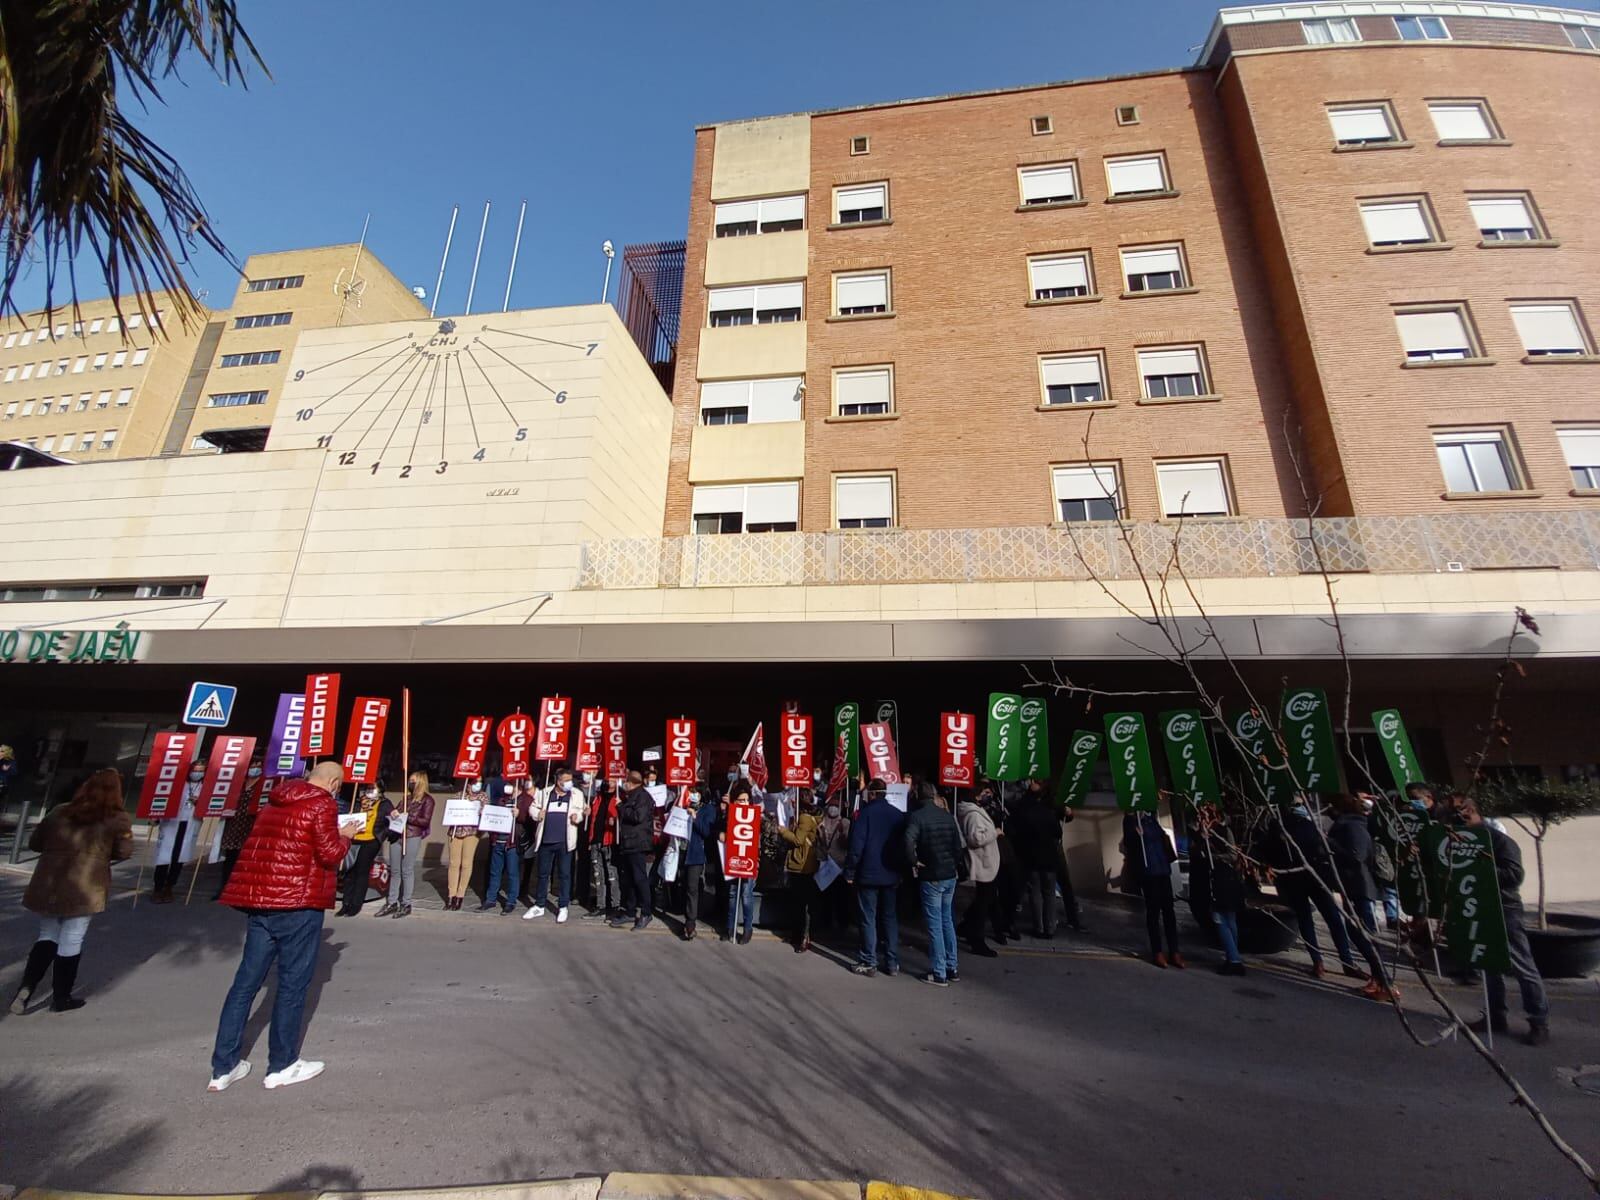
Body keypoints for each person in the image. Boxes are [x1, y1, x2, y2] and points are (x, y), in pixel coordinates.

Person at [208, 761, 348, 1092]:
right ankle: (281, 1065)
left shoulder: (275, 800)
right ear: (332, 782)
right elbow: (329, 854)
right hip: (299, 903)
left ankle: (222, 1067)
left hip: (262, 902)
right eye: (338, 786)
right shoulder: (322, 802)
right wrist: (345, 836)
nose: (337, 791)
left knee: (245, 984)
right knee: (292, 985)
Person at [10, 768, 134, 1014]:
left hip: (51, 883)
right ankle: (61, 997)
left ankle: (26, 988)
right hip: (86, 886)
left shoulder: (59, 811)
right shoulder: (117, 819)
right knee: (72, 938)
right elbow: (123, 852)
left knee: (48, 934)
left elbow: (36, 842)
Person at [1451, 794, 1550, 1045]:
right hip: (1476, 906)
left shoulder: (1499, 841)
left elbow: (1514, 875)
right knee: (1488, 964)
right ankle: (1496, 1015)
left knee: (1521, 964)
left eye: (1460, 812)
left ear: (1472, 812)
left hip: (1504, 907)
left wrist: (1481, 866)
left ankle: (1538, 1021)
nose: (1455, 818)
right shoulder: (1458, 840)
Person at [1265, 800, 1367, 982]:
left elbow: (1270, 853)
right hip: (1317, 877)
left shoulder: (1278, 828)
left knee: (1308, 921)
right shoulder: (1308, 825)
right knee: (1333, 920)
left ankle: (1318, 962)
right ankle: (1347, 961)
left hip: (1294, 879)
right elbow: (1323, 849)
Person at [905, 783, 962, 987]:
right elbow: (958, 847)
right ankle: (952, 967)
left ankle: (939, 972)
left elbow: (908, 841)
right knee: (947, 921)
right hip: (949, 874)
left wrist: (914, 861)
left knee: (935, 925)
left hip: (931, 875)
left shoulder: (917, 817)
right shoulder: (947, 816)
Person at [845, 779, 904, 977]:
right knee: (889, 918)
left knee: (868, 918)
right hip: (890, 874)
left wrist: (850, 872)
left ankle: (869, 961)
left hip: (868, 874)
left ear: (871, 794)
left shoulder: (864, 814)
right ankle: (892, 961)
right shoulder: (897, 815)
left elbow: (856, 846)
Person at [1123, 809, 1184, 968]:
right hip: (1148, 872)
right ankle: (1157, 951)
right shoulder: (1130, 820)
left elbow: (1161, 837)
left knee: (1169, 912)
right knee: (1153, 912)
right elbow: (1129, 842)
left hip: (1163, 870)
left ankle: (1174, 951)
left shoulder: (1151, 819)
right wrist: (1137, 835)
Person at [525, 768, 586, 923]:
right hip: (546, 841)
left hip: (565, 841)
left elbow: (581, 812)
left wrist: (576, 817)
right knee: (543, 874)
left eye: (570, 779)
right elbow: (533, 807)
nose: (569, 783)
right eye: (565, 780)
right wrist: (537, 814)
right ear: (558, 781)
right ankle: (539, 905)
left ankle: (563, 906)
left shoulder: (577, 794)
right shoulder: (545, 792)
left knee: (564, 875)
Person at [1193, 805, 1247, 975]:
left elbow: (1231, 855)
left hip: (1219, 881)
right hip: (1227, 880)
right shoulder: (1222, 832)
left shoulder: (1216, 833)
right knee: (1229, 920)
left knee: (1222, 920)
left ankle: (1234, 959)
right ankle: (1233, 955)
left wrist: (1211, 856)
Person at [1010, 781, 1066, 938]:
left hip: (1032, 858)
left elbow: (1019, 832)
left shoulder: (1026, 812)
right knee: (1049, 894)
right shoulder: (1049, 813)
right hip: (1049, 858)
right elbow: (1058, 833)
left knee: (1035, 893)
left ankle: (1039, 927)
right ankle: (1050, 928)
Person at [378, 771, 433, 919]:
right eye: (410, 781)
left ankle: (406, 903)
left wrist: (409, 816)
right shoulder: (406, 798)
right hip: (397, 834)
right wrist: (394, 813)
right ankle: (391, 902)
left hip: (412, 835)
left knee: (407, 869)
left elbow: (425, 821)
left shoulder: (427, 800)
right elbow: (397, 811)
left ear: (420, 782)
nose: (410, 783)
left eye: (413, 781)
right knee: (395, 870)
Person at [150, 759, 203, 903]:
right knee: (164, 857)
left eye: (200, 771)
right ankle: (158, 888)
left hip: (189, 825)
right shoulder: (178, 784)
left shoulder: (204, 787)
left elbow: (208, 806)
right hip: (172, 823)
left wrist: (200, 802)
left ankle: (169, 887)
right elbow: (163, 799)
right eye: (195, 770)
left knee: (178, 858)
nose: (197, 773)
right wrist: (155, 816)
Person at [776, 789, 823, 952]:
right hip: (805, 864)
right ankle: (798, 935)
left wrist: (783, 831)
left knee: (801, 903)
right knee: (799, 903)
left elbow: (797, 840)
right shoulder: (808, 817)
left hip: (801, 864)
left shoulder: (803, 818)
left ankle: (803, 937)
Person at [956, 790, 1001, 957]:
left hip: (987, 862)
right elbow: (975, 839)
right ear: (975, 795)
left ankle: (966, 927)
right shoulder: (972, 814)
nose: (989, 794)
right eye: (985, 792)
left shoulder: (975, 811)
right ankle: (976, 939)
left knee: (985, 900)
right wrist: (994, 832)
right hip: (983, 862)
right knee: (983, 903)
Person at [214, 761, 267, 899]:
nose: (254, 769)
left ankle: (239, 889)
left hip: (250, 824)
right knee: (229, 859)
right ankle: (224, 887)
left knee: (245, 859)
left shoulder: (263, 785)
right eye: (252, 767)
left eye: (257, 767)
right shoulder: (238, 783)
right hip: (233, 824)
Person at [1328, 792, 1379, 934]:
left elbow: (1357, 856)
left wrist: (1331, 844)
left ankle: (1374, 955)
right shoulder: (1346, 824)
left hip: (1360, 883)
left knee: (1364, 930)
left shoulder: (1353, 825)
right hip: (1351, 882)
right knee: (1355, 928)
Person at [336, 783, 390, 917]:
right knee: (349, 872)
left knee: (361, 871)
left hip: (371, 840)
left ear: (380, 789)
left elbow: (392, 819)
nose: (370, 791)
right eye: (368, 788)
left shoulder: (385, 803)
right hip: (355, 839)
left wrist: (383, 834)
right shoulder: (358, 801)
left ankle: (356, 904)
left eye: (373, 788)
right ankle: (345, 904)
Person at [611, 770, 654, 930]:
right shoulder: (631, 796)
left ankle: (646, 912)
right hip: (628, 843)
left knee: (639, 879)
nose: (624, 785)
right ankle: (629, 911)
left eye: (626, 782)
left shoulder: (642, 796)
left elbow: (638, 817)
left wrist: (621, 807)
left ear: (632, 782)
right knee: (628, 880)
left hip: (638, 843)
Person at [719, 779, 759, 944]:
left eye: (746, 800)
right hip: (733, 858)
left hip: (749, 860)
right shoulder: (728, 813)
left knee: (746, 895)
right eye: (740, 800)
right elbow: (720, 831)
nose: (744, 803)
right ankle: (730, 927)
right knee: (732, 894)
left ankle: (748, 928)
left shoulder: (754, 814)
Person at [478, 784, 521, 914]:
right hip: (498, 842)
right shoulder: (501, 800)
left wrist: (519, 814)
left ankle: (511, 902)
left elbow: (527, 819)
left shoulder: (523, 800)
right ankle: (490, 899)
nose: (508, 787)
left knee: (512, 874)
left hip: (511, 844)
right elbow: (493, 818)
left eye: (511, 785)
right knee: (494, 872)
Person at [814, 793, 853, 932]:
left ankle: (843, 924)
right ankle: (826, 923)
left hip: (839, 865)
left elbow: (848, 844)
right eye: (831, 806)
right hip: (824, 864)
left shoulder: (845, 823)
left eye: (836, 806)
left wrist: (843, 834)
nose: (833, 809)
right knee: (825, 896)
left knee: (841, 897)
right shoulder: (821, 822)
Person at [585, 779, 621, 918]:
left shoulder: (619, 796)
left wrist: (616, 819)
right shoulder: (597, 796)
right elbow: (594, 818)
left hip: (609, 841)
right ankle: (601, 906)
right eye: (607, 779)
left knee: (612, 876)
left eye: (611, 779)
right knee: (598, 876)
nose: (608, 782)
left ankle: (615, 905)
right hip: (596, 841)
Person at [682, 783, 714, 941]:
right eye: (691, 792)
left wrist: (694, 817)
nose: (692, 795)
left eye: (695, 793)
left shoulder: (708, 809)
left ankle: (690, 922)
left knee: (692, 888)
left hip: (696, 853)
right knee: (684, 886)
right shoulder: (684, 806)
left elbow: (706, 831)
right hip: (682, 850)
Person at [445, 782, 483, 911]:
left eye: (480, 782)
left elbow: (485, 814)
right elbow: (451, 812)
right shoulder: (458, 796)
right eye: (475, 782)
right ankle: (451, 895)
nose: (478, 784)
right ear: (468, 784)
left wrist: (481, 811)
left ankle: (460, 896)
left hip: (472, 833)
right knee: (453, 863)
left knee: (466, 864)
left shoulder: (483, 797)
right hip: (456, 832)